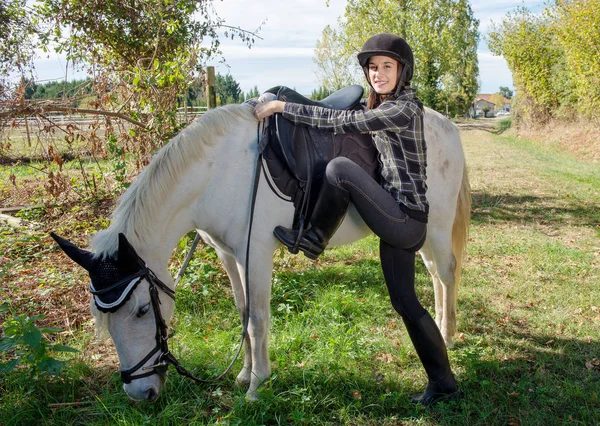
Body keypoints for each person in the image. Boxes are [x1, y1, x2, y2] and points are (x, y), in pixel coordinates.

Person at [254, 33, 459, 405]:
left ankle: (313, 237)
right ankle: (443, 383)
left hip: (407, 219)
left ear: (403, 71)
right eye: (373, 68)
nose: (378, 74)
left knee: (340, 169)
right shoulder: (382, 103)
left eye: (387, 67)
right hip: (394, 217)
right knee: (406, 304)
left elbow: (338, 120)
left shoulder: (404, 109)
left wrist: (283, 108)